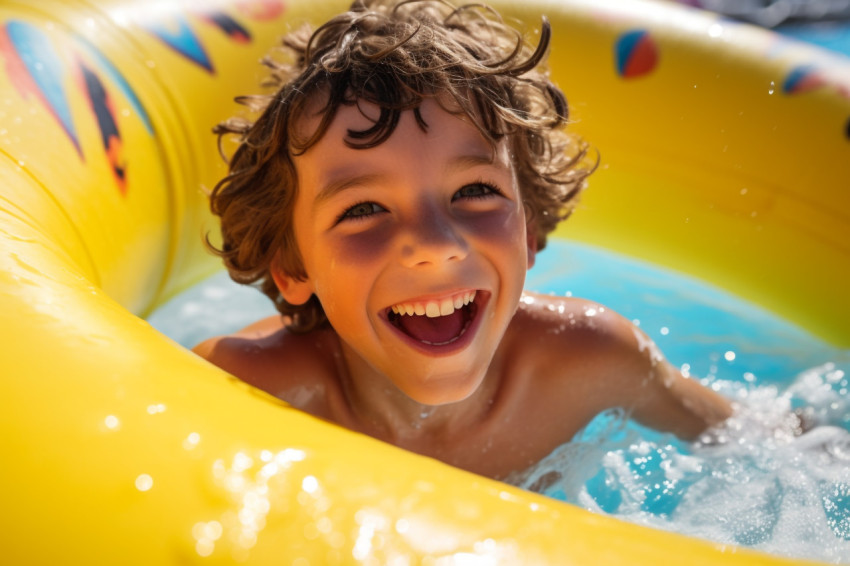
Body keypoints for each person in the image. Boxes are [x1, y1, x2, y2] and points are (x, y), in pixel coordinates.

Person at [193, 0, 733, 480]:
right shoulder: (248, 396)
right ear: (293, 267)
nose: (434, 243)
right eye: (362, 209)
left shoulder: (591, 363)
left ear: (529, 229)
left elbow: (762, 445)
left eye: (474, 190)